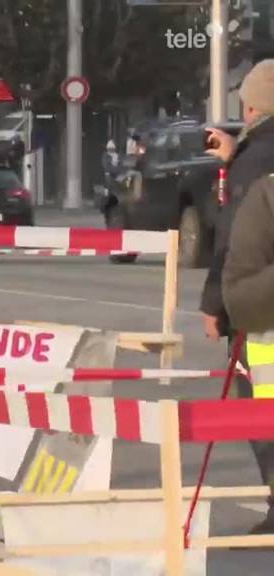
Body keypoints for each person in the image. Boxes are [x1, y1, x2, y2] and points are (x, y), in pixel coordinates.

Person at [200, 59, 274, 534]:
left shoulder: (257, 160)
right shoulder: (252, 156)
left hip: (264, 314)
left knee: (264, 415)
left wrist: (216, 306)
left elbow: (235, 241)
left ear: (252, 106)